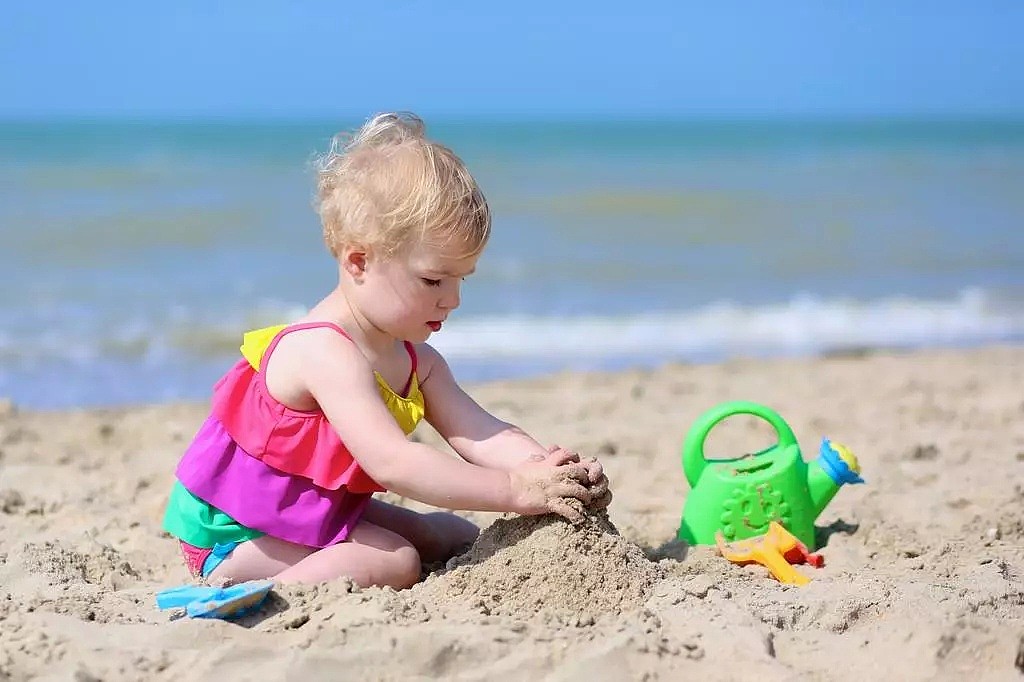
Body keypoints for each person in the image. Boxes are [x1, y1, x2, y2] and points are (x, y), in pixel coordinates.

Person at [163, 112, 611, 589]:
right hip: (239, 530)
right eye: (433, 280)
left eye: (461, 280)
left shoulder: (419, 361)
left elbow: (482, 433)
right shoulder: (322, 350)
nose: (453, 299)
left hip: (314, 508)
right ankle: (244, 587)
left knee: (450, 534)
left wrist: (545, 471)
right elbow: (394, 463)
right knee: (396, 561)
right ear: (359, 261)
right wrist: (514, 490)